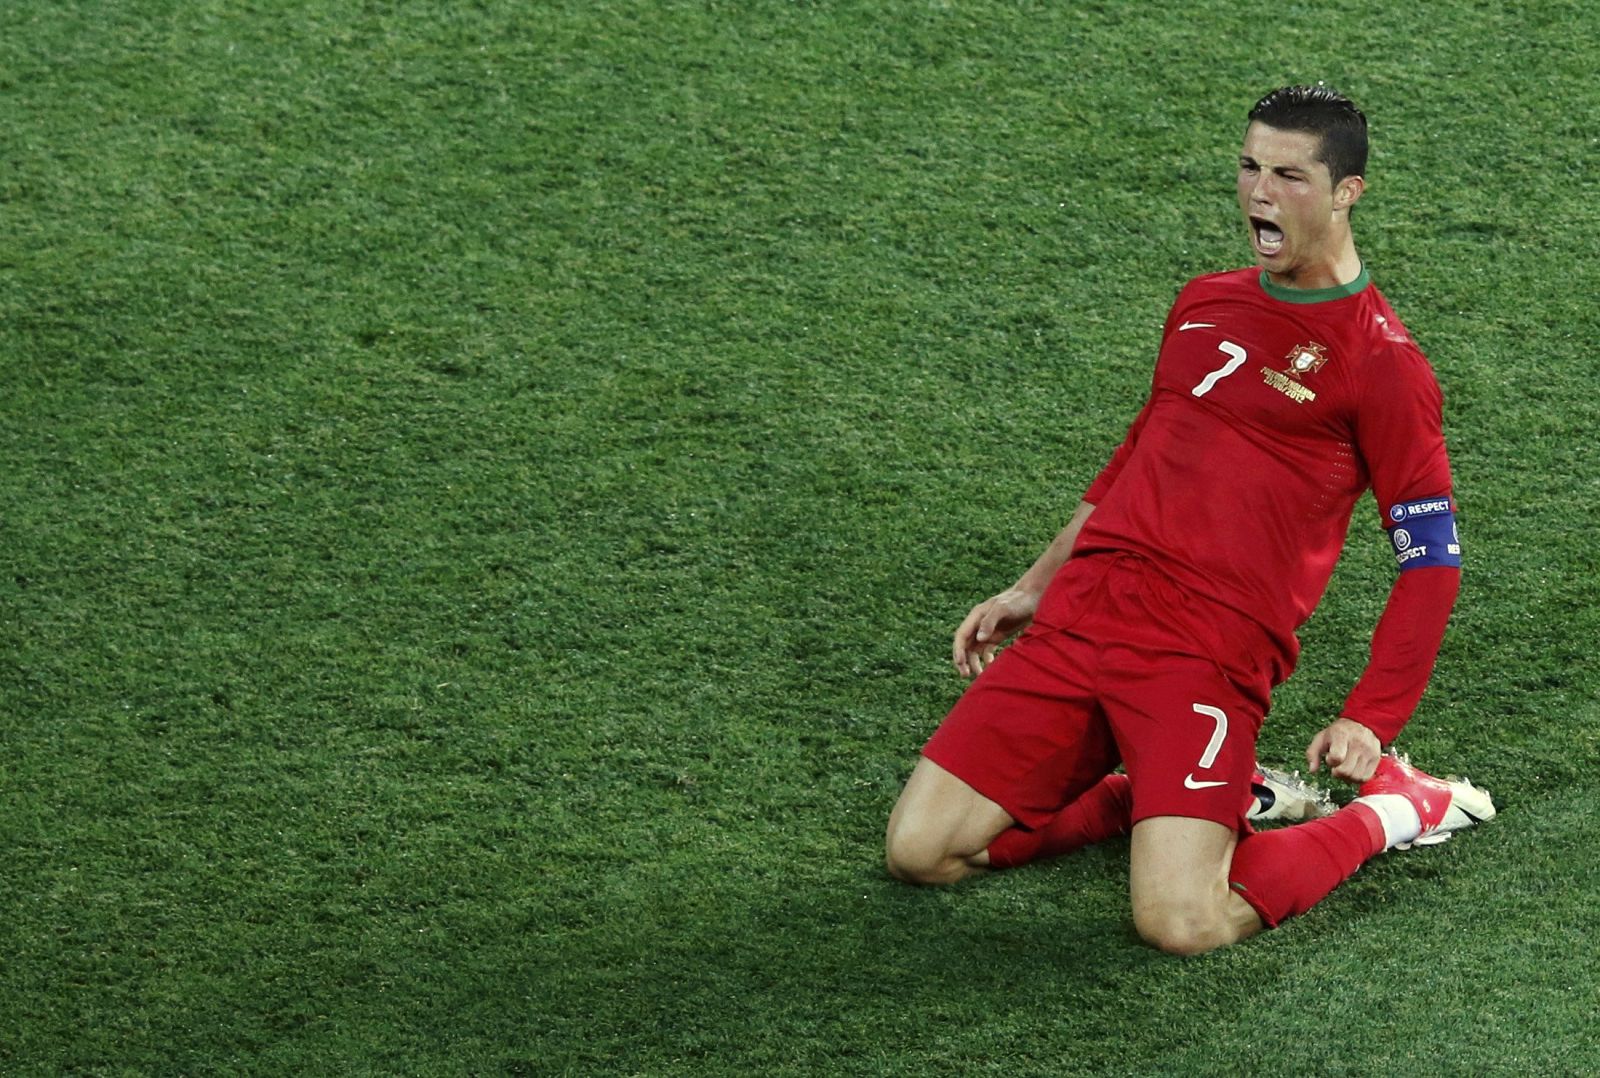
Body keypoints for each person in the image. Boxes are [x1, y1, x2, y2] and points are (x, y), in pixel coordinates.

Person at [883, 85, 1495, 954]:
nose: (1258, 193)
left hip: (1204, 649)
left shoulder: (1382, 365)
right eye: (1250, 167)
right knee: (922, 852)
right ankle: (1142, 795)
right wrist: (1036, 584)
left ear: (1346, 192)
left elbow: (1430, 560)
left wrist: (1371, 719)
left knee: (1183, 922)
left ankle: (1397, 811)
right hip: (1086, 612)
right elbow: (1138, 453)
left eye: (1288, 175)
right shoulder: (1205, 299)